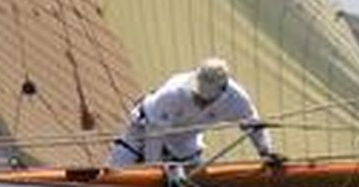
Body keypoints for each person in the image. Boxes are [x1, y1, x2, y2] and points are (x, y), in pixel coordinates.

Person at [108, 58, 282, 168]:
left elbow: (254, 125)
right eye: (197, 96)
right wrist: (151, 169)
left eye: (206, 100)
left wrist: (265, 152)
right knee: (115, 172)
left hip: (185, 144)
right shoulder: (174, 92)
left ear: (222, 91)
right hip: (143, 133)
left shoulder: (236, 100)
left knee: (196, 186)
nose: (199, 101)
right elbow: (154, 135)